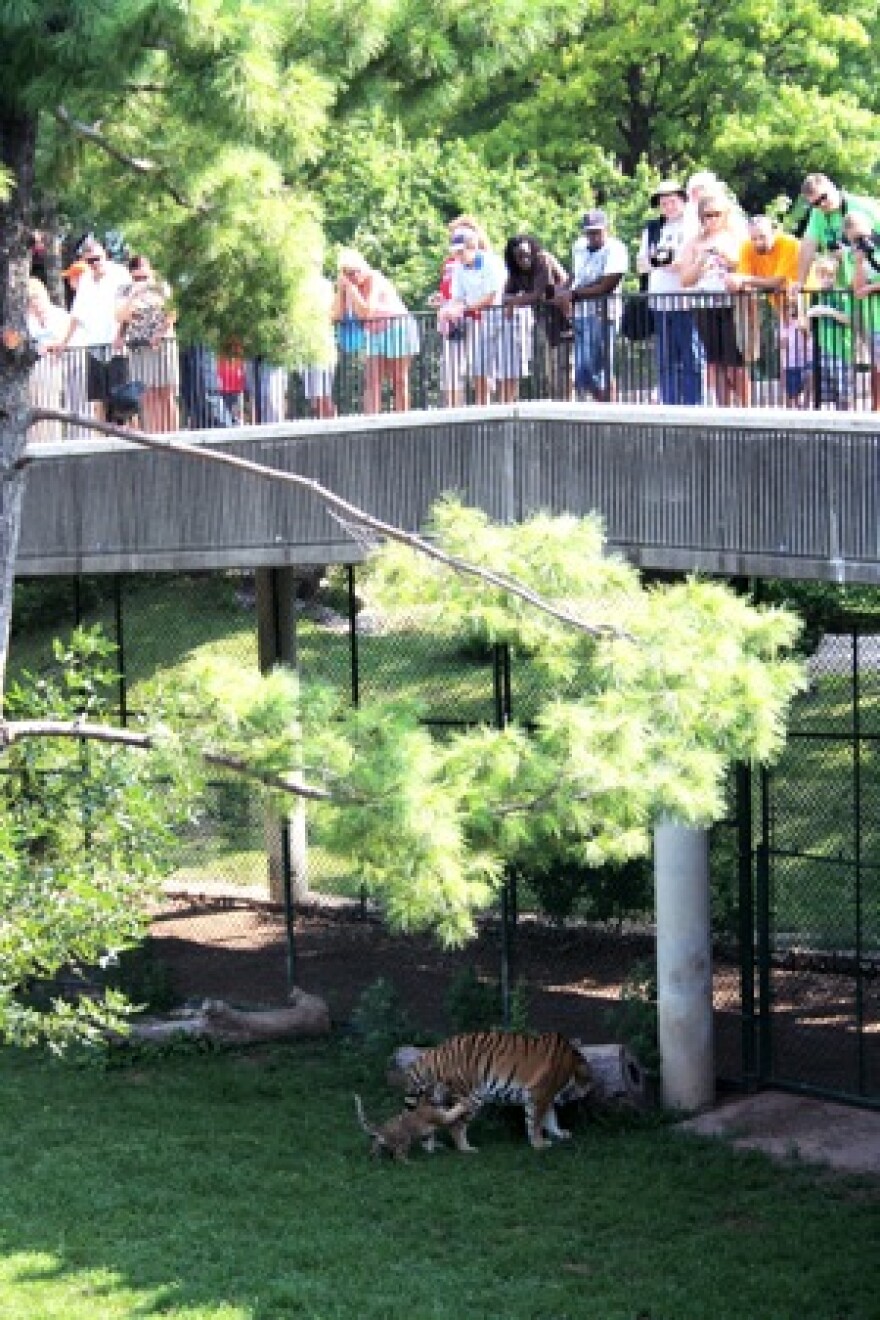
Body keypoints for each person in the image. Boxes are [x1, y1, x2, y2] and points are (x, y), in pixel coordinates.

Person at [49, 237, 132, 423]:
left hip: (116, 345)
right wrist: (64, 342)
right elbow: (77, 314)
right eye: (90, 260)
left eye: (98, 258)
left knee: (122, 397)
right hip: (94, 345)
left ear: (105, 255)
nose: (95, 263)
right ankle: (104, 439)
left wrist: (121, 335)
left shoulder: (120, 274)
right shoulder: (85, 279)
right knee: (99, 398)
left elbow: (128, 308)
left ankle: (127, 437)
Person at [679, 189, 750, 406]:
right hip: (704, 303)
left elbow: (747, 267)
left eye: (717, 214)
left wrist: (727, 258)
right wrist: (700, 262)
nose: (712, 219)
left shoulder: (737, 238)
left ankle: (747, 408)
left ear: (725, 214)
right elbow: (685, 280)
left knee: (736, 362)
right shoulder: (692, 243)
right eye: (707, 215)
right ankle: (723, 408)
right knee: (715, 360)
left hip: (732, 303)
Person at [636, 179, 704, 405]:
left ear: (683, 201)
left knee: (691, 355)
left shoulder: (693, 225)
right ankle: (670, 403)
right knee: (665, 358)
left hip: (686, 299)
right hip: (660, 300)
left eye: (672, 201)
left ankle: (694, 404)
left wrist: (664, 260)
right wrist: (664, 260)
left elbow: (689, 260)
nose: (668, 206)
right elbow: (641, 263)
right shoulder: (653, 229)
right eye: (663, 203)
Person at [726, 215, 801, 400]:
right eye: (754, 238)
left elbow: (778, 281)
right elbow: (742, 281)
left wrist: (745, 280)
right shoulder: (746, 248)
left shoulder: (789, 244)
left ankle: (810, 404)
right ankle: (791, 405)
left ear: (774, 232)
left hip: (804, 305)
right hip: (781, 308)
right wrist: (736, 282)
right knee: (787, 359)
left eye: (762, 237)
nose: (757, 242)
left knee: (805, 358)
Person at [333, 248, 416, 413]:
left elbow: (366, 312)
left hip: (396, 327)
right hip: (373, 332)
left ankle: (403, 420)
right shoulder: (348, 287)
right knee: (371, 380)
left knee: (398, 379)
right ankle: (371, 422)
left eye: (354, 272)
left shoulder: (374, 278)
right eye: (347, 274)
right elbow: (336, 315)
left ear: (362, 268)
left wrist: (352, 290)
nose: (352, 277)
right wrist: (341, 291)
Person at [114, 254, 179, 431]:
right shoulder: (124, 290)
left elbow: (172, 313)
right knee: (147, 394)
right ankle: (154, 435)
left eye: (143, 274)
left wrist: (158, 335)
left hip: (162, 344)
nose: (140, 278)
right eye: (136, 275)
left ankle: (172, 434)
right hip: (138, 346)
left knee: (165, 393)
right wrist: (133, 296)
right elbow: (120, 317)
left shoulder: (161, 287)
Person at [568, 209, 628, 401]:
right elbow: (576, 277)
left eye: (597, 232)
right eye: (589, 232)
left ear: (606, 229)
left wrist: (574, 294)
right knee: (581, 368)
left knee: (601, 365)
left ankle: (608, 405)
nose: (593, 237)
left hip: (604, 313)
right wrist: (561, 292)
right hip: (581, 313)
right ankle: (597, 401)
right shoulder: (578, 247)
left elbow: (607, 285)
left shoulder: (616, 249)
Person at [501, 234, 569, 402]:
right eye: (519, 257)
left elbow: (538, 295)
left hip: (564, 316)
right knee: (549, 368)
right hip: (544, 318)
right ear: (513, 258)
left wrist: (513, 302)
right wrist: (512, 301)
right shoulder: (515, 271)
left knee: (563, 366)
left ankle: (567, 404)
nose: (525, 260)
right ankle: (556, 404)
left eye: (526, 254)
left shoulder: (542, 260)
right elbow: (504, 296)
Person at [448, 230, 506, 406]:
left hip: (504, 317)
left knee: (505, 367)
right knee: (478, 366)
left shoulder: (491, 262)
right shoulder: (458, 268)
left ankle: (506, 406)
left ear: (472, 247)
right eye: (455, 252)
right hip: (483, 320)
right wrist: (451, 310)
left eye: (461, 251)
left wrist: (464, 307)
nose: (458, 256)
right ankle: (483, 407)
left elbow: (491, 296)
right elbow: (458, 297)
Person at [796, 173, 880, 287]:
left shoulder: (864, 206)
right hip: (848, 290)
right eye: (816, 203)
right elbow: (808, 246)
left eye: (823, 197)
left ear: (832, 186)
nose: (822, 204)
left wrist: (849, 248)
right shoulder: (817, 213)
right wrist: (800, 283)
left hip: (874, 284)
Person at [805, 254, 854, 410]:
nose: (826, 279)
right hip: (822, 349)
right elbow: (807, 322)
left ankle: (848, 426)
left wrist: (827, 311)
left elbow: (850, 319)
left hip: (841, 351)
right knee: (823, 394)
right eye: (822, 275)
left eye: (830, 275)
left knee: (843, 394)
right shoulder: (816, 295)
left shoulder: (843, 294)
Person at [26, 278, 71, 441]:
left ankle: (53, 440)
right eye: (30, 299)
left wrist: (52, 346)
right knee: (32, 408)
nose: (34, 303)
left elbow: (69, 339)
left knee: (51, 406)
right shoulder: (24, 320)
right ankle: (34, 442)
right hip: (33, 371)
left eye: (36, 297)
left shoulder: (60, 315)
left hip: (54, 368)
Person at [843, 210, 880, 410]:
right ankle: (876, 409)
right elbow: (857, 290)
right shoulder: (854, 256)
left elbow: (866, 289)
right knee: (876, 367)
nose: (863, 242)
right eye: (857, 239)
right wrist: (859, 262)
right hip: (874, 320)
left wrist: (873, 287)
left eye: (864, 236)